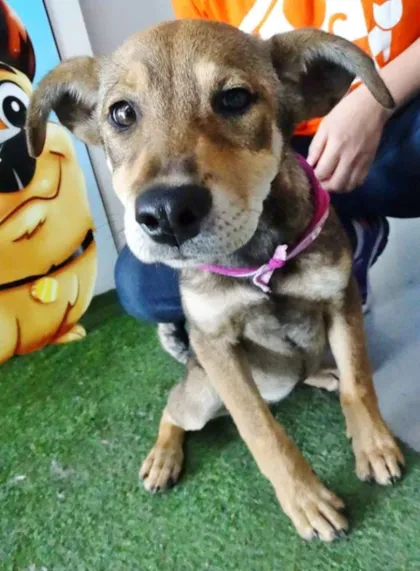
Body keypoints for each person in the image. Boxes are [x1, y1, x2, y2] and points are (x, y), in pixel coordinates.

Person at [115, 0, 420, 336]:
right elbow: (192, 94)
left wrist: (374, 104)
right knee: (142, 287)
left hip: (401, 114)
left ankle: (326, 229)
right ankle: (347, 230)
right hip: (281, 149)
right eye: (123, 115)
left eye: (233, 97)